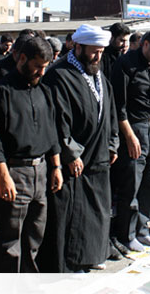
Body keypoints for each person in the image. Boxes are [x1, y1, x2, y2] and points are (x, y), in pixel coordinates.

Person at [39, 24, 119, 273]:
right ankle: (68, 263)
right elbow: (56, 120)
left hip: (98, 158)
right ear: (78, 46)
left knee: (96, 213)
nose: (97, 57)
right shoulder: (59, 75)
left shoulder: (98, 74)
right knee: (71, 215)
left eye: (101, 53)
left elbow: (111, 113)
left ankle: (92, 255)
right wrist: (70, 152)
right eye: (94, 52)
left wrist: (113, 143)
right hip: (74, 161)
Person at [0, 37, 63, 272]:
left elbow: (52, 131)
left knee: (35, 235)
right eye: (38, 66)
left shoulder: (45, 91)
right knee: (10, 240)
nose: (41, 72)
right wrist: (3, 175)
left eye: (45, 67)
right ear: (22, 58)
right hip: (13, 171)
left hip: (41, 171)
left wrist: (56, 166)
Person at [111, 28, 150, 252]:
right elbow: (118, 105)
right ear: (145, 45)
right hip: (133, 128)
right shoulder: (125, 65)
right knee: (131, 185)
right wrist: (128, 135)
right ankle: (126, 234)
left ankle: (142, 228)